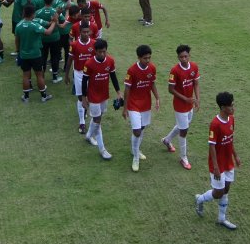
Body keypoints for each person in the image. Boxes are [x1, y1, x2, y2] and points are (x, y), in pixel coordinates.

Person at [195, 91, 239, 228]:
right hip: (218, 165)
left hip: (228, 162)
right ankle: (200, 199)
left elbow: (230, 140)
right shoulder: (215, 124)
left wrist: (235, 155)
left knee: (226, 189)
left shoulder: (231, 119)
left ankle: (221, 218)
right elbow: (212, 146)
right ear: (222, 108)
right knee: (218, 192)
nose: (233, 108)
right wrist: (215, 167)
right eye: (231, 106)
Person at [159, 44, 200, 170]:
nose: (184, 59)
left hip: (190, 104)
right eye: (181, 57)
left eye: (186, 56)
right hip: (180, 105)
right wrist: (185, 98)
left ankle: (167, 140)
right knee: (184, 130)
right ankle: (183, 158)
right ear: (178, 57)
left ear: (189, 56)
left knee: (183, 126)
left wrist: (197, 99)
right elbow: (170, 89)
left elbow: (196, 84)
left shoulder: (194, 67)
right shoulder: (175, 71)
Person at [122, 44, 160, 172]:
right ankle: (135, 157)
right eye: (145, 58)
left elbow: (152, 84)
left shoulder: (152, 68)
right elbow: (127, 89)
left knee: (142, 128)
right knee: (137, 131)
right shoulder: (132, 71)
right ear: (139, 58)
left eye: (149, 57)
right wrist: (125, 107)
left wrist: (157, 98)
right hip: (133, 105)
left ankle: (136, 150)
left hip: (146, 104)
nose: (148, 60)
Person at [83, 38, 122, 160]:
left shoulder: (110, 61)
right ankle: (102, 149)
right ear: (95, 51)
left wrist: (118, 92)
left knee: (97, 118)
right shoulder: (89, 64)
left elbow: (113, 76)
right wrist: (84, 98)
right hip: (93, 96)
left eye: (104, 51)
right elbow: (84, 81)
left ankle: (88, 136)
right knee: (98, 121)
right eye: (99, 52)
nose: (102, 54)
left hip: (104, 95)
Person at [15, 4, 55, 103]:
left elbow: (17, 40)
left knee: (25, 75)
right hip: (36, 54)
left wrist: (18, 51)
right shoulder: (34, 25)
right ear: (33, 14)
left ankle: (26, 97)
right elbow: (48, 32)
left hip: (24, 54)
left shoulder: (19, 25)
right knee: (39, 75)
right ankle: (44, 96)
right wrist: (54, 22)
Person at [69, 20, 96, 133]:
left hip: (91, 74)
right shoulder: (74, 45)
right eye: (83, 32)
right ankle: (82, 123)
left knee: (90, 96)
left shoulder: (94, 44)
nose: (86, 34)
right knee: (81, 97)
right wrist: (66, 75)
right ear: (79, 32)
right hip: (79, 73)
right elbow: (70, 60)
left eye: (87, 32)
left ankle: (86, 112)